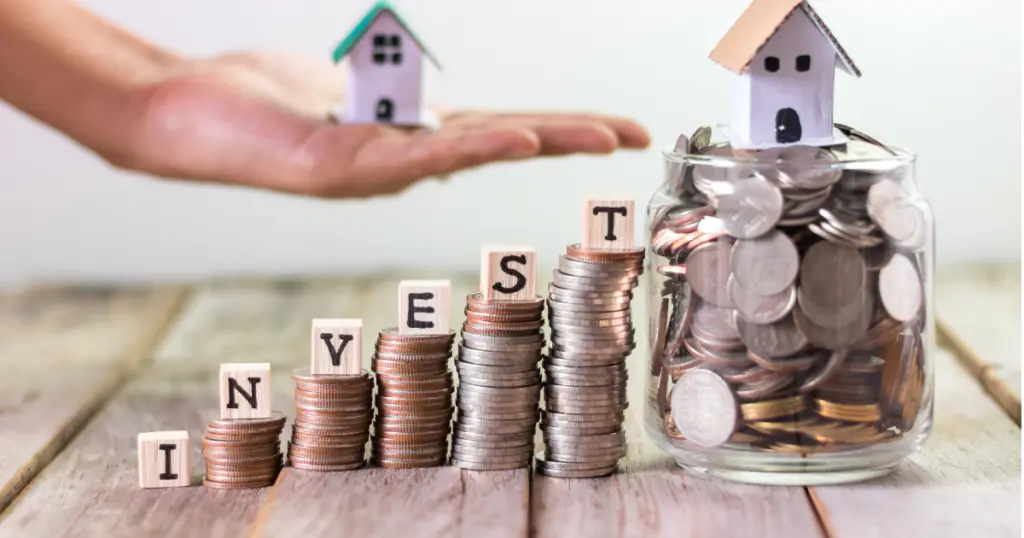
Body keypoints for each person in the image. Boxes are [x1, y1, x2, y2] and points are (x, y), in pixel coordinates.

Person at [0, 0, 650, 198]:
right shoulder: (372, 56)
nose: (390, 58)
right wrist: (142, 95)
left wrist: (144, 92)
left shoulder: (389, 61)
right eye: (385, 54)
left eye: (392, 54)